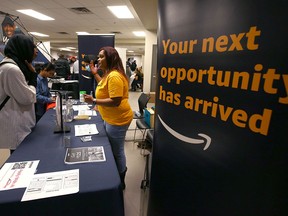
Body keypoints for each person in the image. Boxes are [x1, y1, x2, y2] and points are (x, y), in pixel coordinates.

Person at [84, 46, 133, 189]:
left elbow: (115, 100)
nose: (98, 59)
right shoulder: (109, 74)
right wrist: (94, 74)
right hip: (110, 117)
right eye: (98, 57)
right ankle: (116, 176)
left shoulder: (114, 76)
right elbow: (104, 87)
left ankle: (121, 180)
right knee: (112, 148)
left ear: (111, 58)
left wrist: (94, 101)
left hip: (118, 119)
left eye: (101, 57)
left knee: (117, 151)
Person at [0, 34, 38, 153]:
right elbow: (27, 98)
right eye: (32, 48)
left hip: (19, 121)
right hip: (15, 123)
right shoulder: (11, 69)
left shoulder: (15, 66)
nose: (36, 52)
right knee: (20, 156)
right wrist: (33, 80)